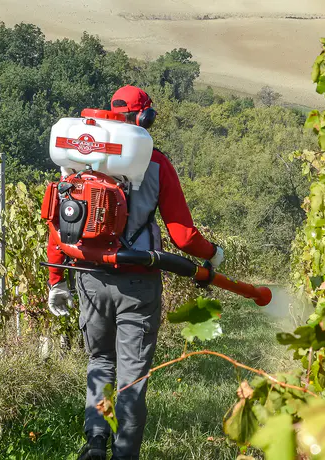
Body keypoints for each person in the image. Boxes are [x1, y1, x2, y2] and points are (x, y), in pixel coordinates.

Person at [46, 85, 225, 460]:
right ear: (145, 118)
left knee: (100, 361)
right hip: (137, 280)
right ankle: (124, 453)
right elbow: (183, 236)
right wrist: (213, 254)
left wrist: (57, 282)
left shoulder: (81, 154)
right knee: (132, 376)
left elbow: (62, 220)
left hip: (90, 277)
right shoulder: (155, 162)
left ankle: (96, 440)